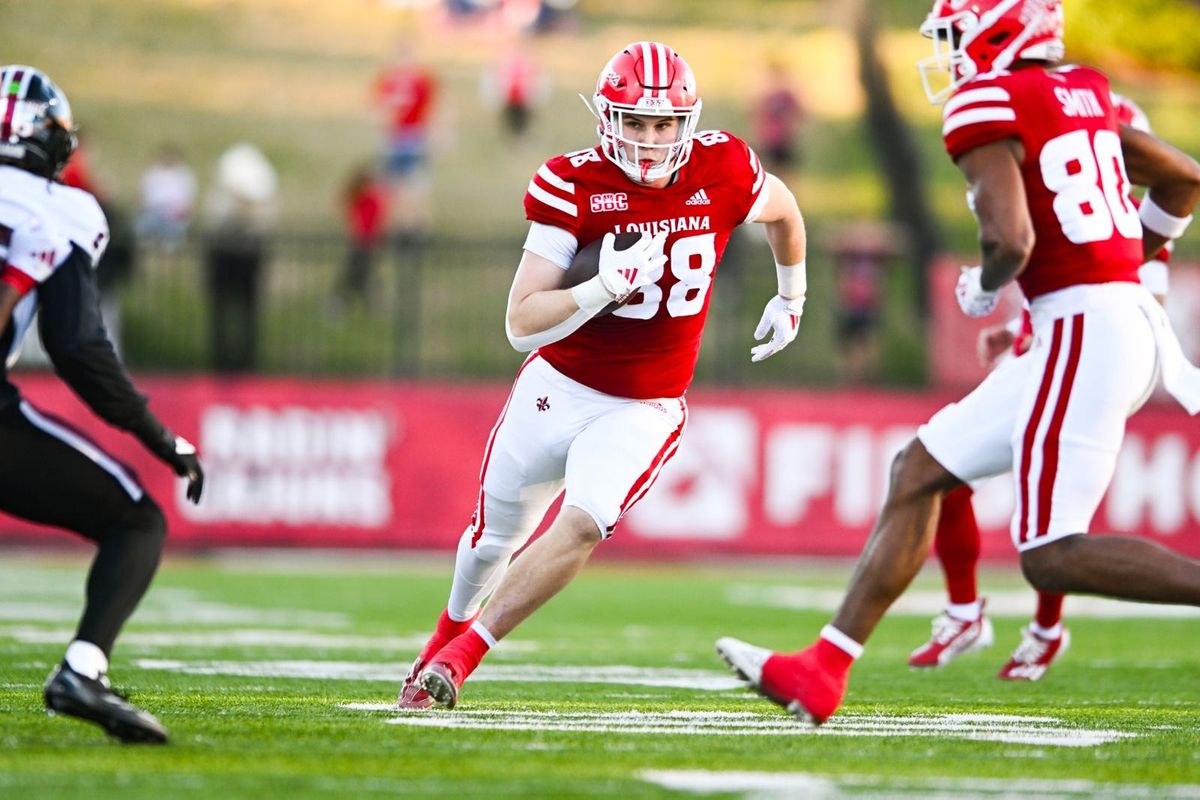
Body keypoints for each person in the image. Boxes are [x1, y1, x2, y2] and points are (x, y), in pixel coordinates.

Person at [716, 0, 1200, 725]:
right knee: (918, 469)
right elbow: (1184, 178)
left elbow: (1012, 242)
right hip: (1099, 324)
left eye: (954, 37)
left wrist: (985, 282)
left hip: (1082, 330)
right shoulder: (1085, 91)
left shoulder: (990, 102)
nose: (949, 56)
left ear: (999, 30)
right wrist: (1125, 256)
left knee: (1050, 554)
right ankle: (822, 670)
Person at [396, 41, 808, 710]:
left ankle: (460, 662)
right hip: (556, 387)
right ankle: (437, 642)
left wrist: (793, 297)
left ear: (688, 121)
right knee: (488, 543)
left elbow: (785, 210)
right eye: (636, 123)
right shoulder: (572, 182)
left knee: (584, 522)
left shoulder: (725, 165)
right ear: (607, 119)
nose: (650, 140)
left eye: (665, 124)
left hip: (643, 405)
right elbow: (521, 320)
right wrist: (597, 290)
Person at [909, 93, 1175, 681]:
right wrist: (1015, 331)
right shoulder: (1077, 179)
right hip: (1054, 345)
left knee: (1046, 524)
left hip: (1090, 357)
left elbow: (1124, 296)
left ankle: (1045, 628)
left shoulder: (1125, 215)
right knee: (938, 472)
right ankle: (965, 612)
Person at [0, 65, 204, 743]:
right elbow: (79, 350)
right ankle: (82, 671)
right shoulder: (61, 209)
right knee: (136, 522)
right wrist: (158, 435)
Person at [201, 143, 277, 373]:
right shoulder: (222, 200)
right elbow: (216, 223)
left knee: (248, 313)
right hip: (224, 258)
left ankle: (247, 364)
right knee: (221, 314)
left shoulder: (259, 203)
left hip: (247, 261)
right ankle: (221, 364)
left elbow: (263, 225)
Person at [374, 47, 436, 241]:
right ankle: (397, 230)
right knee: (391, 187)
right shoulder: (389, 81)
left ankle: (417, 230)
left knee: (415, 187)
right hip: (394, 139)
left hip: (413, 138)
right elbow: (379, 108)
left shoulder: (421, 82)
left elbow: (433, 108)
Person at [333, 164, 390, 310]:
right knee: (356, 274)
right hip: (360, 243)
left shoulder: (372, 199)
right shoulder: (362, 198)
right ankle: (345, 302)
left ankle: (367, 303)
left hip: (368, 243)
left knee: (363, 274)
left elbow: (379, 221)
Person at [135, 142, 197, 252]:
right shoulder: (153, 173)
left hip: (173, 214)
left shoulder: (184, 175)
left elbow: (189, 202)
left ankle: (169, 244)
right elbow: (141, 195)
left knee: (173, 224)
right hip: (153, 211)